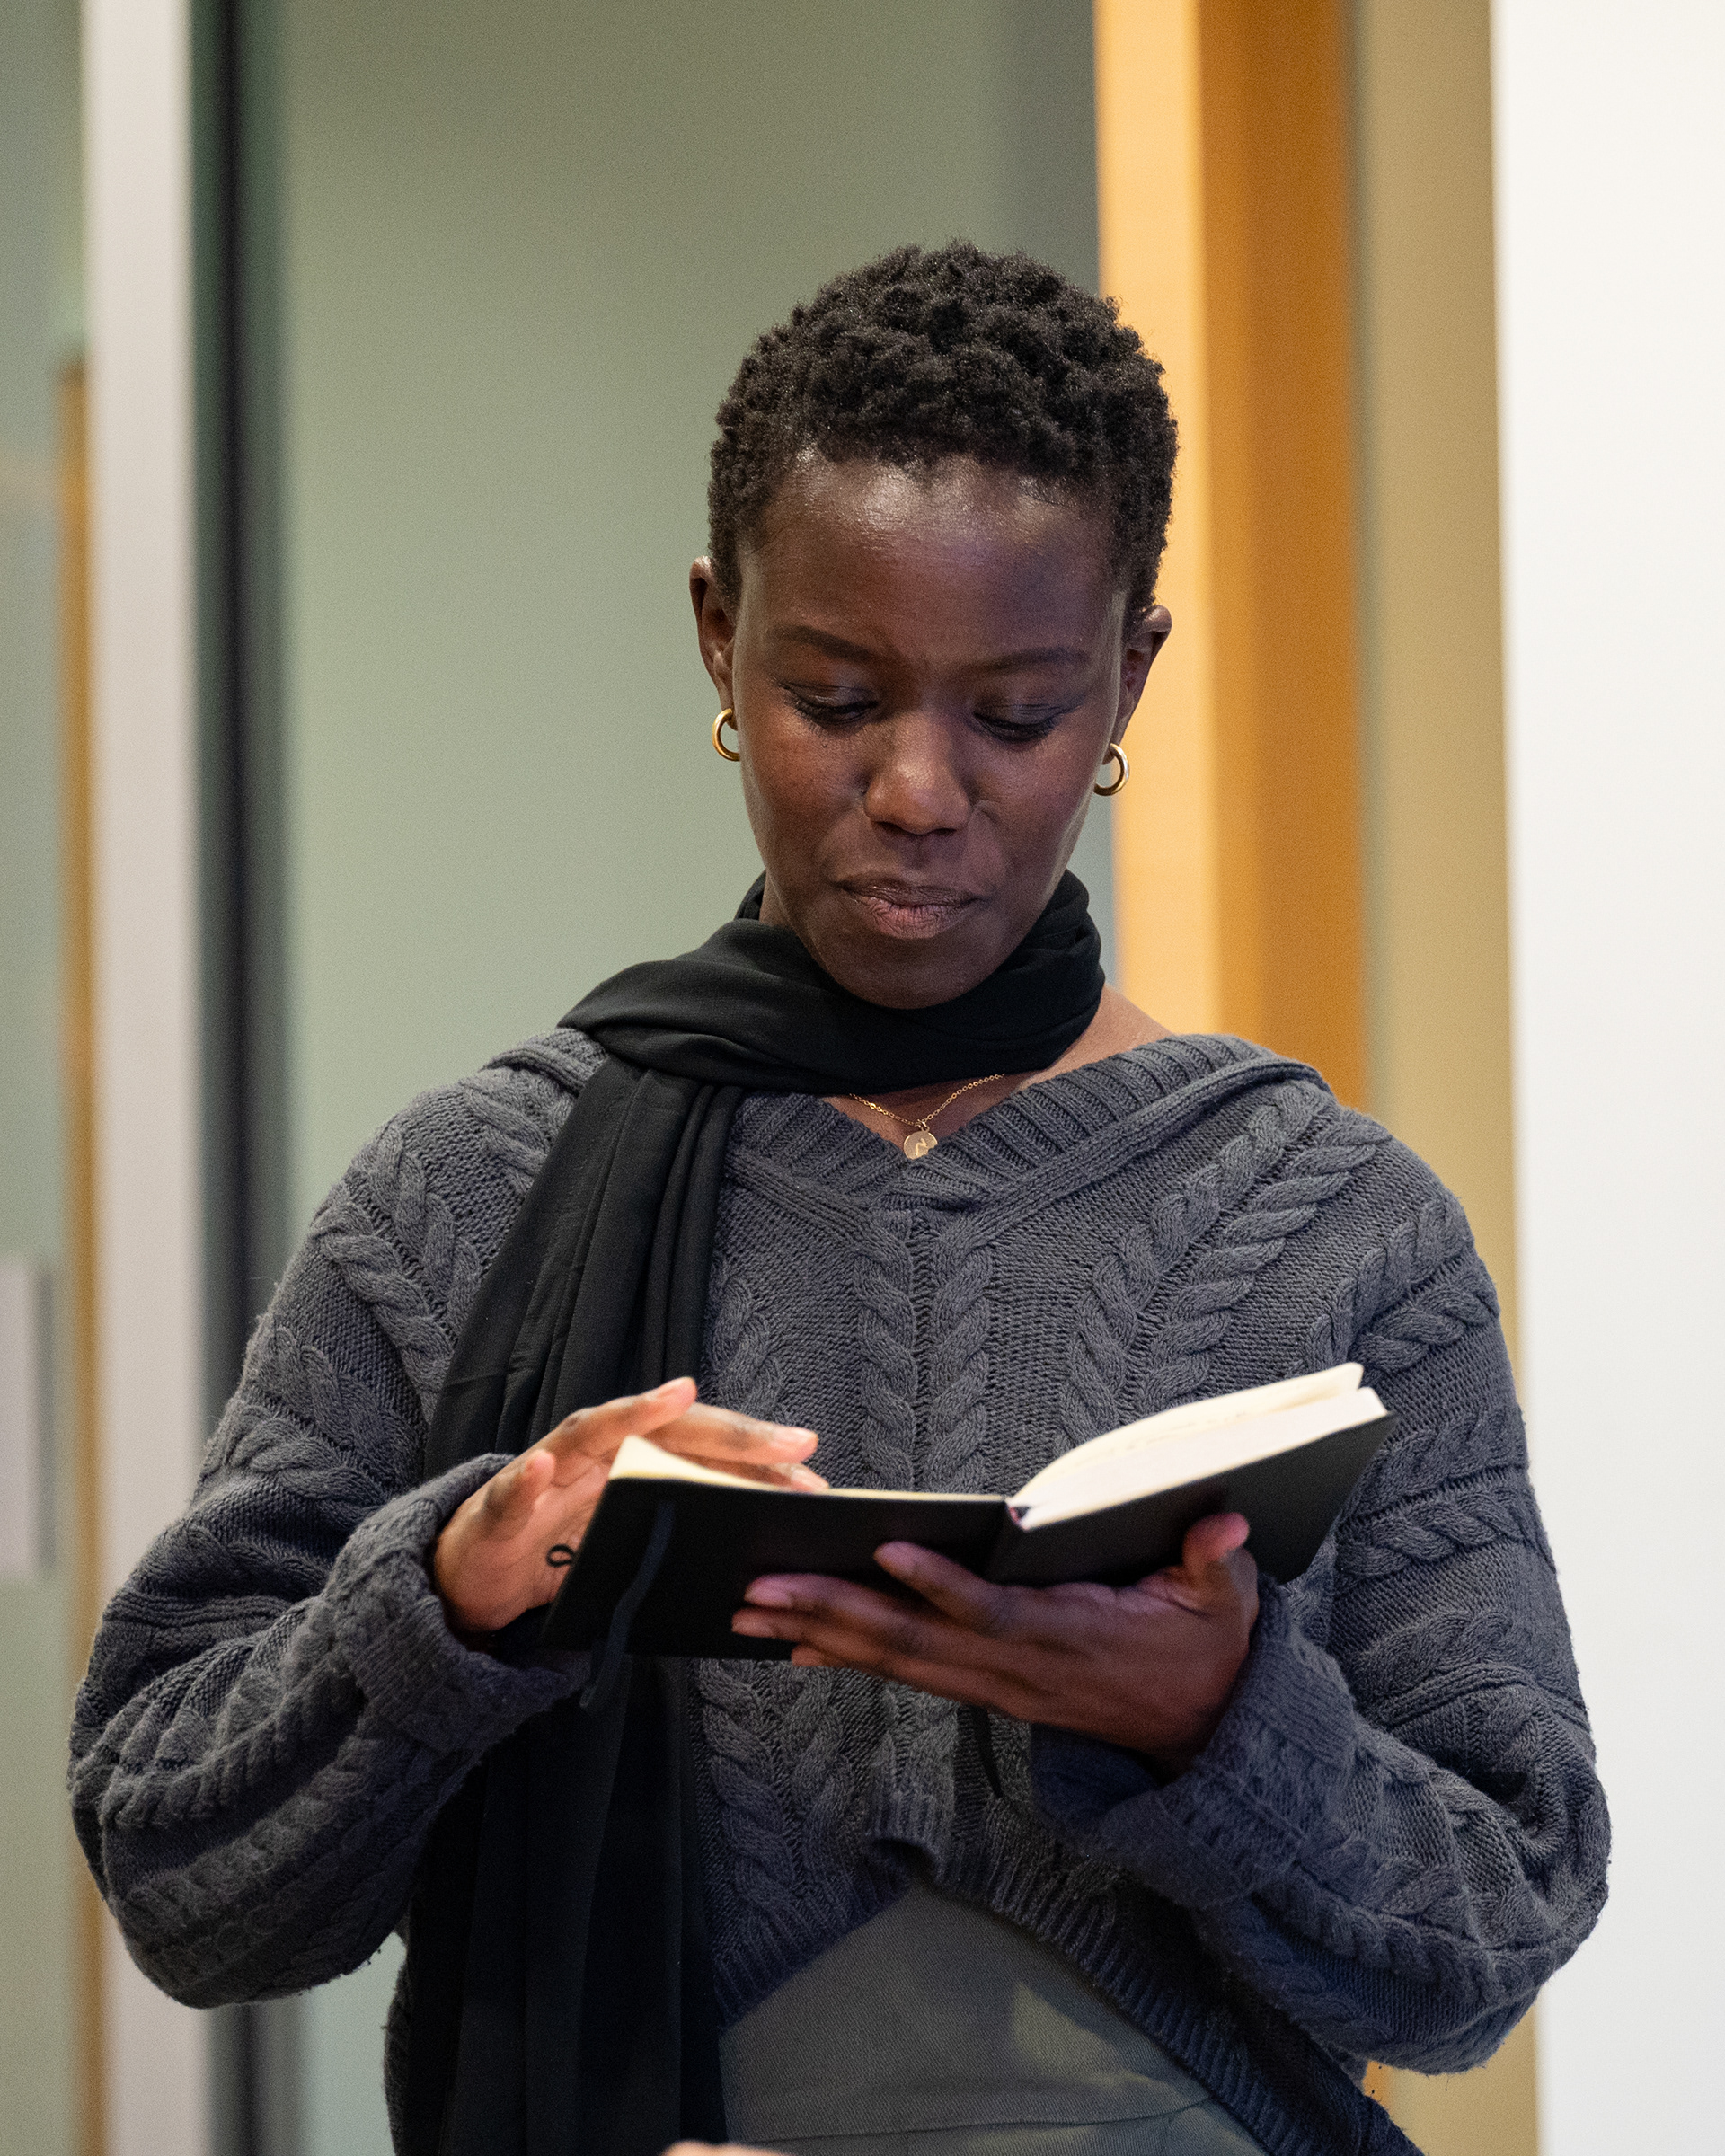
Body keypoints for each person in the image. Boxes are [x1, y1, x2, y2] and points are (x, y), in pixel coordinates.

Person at [70, 243, 1607, 2156]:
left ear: (1129, 673)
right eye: (835, 694)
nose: (917, 790)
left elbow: (1494, 1938)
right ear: (720, 638)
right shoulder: (468, 1200)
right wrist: (449, 1597)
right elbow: (180, 1877)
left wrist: (1217, 1722)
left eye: (1018, 714)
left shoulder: (1334, 1225)